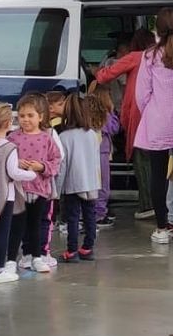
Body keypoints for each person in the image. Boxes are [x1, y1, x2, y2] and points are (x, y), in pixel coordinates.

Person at [135, 9, 173, 242]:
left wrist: (151, 111)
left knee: (158, 175)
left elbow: (142, 93)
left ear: (157, 28)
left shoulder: (149, 55)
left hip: (157, 121)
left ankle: (161, 228)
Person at [92, 29, 156, 218]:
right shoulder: (162, 57)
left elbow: (105, 76)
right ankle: (162, 204)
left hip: (138, 113)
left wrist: (96, 72)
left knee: (141, 158)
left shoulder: (136, 57)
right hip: (160, 114)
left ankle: (147, 205)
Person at [8, 92, 62, 272]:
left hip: (40, 189)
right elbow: (5, 158)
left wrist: (42, 166)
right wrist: (15, 162)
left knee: (37, 222)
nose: (25, 120)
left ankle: (39, 255)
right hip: (19, 190)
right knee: (20, 223)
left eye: (30, 115)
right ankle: (26, 254)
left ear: (41, 117)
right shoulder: (13, 138)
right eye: (21, 116)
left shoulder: (47, 138)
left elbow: (56, 160)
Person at [0, 104, 35, 284]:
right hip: (7, 195)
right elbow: (13, 172)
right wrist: (31, 174)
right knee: (4, 231)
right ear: (8, 123)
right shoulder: (10, 147)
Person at [57, 93, 103, 261]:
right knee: (90, 215)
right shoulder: (92, 134)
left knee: (73, 218)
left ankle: (71, 250)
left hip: (72, 183)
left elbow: (62, 166)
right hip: (91, 182)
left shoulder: (64, 137)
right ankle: (88, 247)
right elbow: (96, 161)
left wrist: (56, 189)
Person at [90, 88, 119, 227]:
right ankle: (100, 214)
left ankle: (92, 212)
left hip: (91, 153)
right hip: (102, 152)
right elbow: (115, 128)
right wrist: (112, 112)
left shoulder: (88, 116)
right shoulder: (105, 116)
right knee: (103, 184)